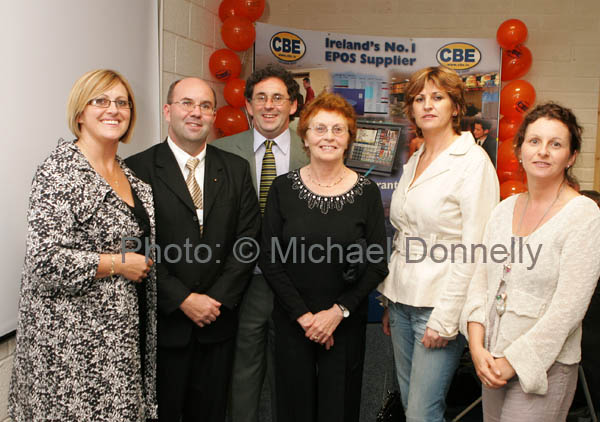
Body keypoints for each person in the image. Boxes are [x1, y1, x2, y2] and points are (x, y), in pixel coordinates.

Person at [8, 69, 157, 421]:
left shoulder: (134, 179)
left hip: (121, 343)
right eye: (100, 100)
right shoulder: (59, 171)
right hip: (70, 354)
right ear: (80, 113)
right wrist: (118, 264)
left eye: (122, 102)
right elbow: (44, 261)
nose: (113, 109)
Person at [126, 77, 261, 422]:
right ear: (168, 111)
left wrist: (214, 299)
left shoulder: (234, 169)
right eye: (186, 103)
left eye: (204, 106)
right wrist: (184, 299)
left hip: (218, 323)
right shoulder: (137, 169)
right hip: (165, 324)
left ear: (214, 116)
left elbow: (247, 241)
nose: (196, 113)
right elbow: (137, 245)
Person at [461, 103, 600, 421]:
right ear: (519, 149)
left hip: (545, 369)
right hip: (491, 360)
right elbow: (481, 280)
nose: (543, 152)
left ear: (572, 156)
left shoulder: (583, 215)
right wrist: (476, 346)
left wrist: (512, 362)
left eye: (556, 144)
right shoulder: (504, 209)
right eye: (534, 141)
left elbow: (568, 311)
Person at [377, 66, 499, 422]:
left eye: (438, 97)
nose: (427, 105)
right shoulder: (416, 159)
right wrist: (389, 300)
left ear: (455, 107)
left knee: (422, 413)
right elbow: (404, 234)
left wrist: (446, 319)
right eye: (419, 99)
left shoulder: (473, 162)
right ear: (411, 109)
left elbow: (475, 249)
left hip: (439, 307)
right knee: (408, 403)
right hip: (401, 303)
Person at [260, 92, 389, 422]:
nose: (328, 137)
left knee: (339, 408)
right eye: (319, 128)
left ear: (349, 139)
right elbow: (270, 259)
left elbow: (377, 262)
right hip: (293, 322)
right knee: (293, 408)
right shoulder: (282, 189)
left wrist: (337, 313)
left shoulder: (367, 192)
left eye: (338, 129)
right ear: (304, 136)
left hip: (345, 322)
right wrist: (305, 317)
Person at [211, 63, 309, 422]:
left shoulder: (315, 147)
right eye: (260, 98)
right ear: (248, 106)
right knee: (244, 372)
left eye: (278, 98)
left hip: (299, 282)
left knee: (291, 373)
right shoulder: (220, 152)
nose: (269, 106)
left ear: (293, 106)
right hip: (244, 281)